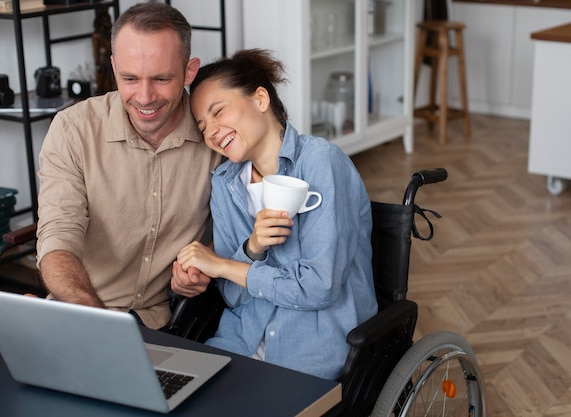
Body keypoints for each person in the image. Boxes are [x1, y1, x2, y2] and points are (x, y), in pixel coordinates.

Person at [172, 49, 378, 380]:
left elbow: (320, 288)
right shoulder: (225, 185)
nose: (211, 131)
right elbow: (234, 296)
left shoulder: (321, 163)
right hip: (241, 340)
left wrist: (224, 265)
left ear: (260, 99)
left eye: (218, 112)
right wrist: (253, 247)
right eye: (202, 125)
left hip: (314, 350)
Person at [36, 1, 220, 330]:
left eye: (162, 78)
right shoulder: (73, 129)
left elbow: (249, 215)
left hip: (167, 324)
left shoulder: (217, 132)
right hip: (79, 311)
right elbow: (58, 240)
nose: (145, 97)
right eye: (130, 78)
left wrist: (208, 257)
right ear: (114, 66)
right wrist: (101, 324)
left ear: (189, 71)